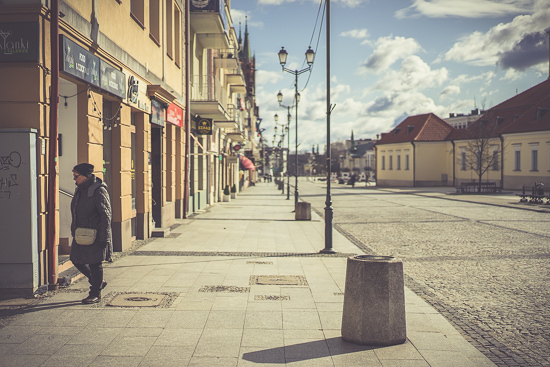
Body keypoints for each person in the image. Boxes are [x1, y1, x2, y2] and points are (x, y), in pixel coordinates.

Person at [70, 163, 112, 304]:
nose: (74, 179)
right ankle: (98, 282)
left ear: (86, 177)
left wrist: (104, 236)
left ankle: (95, 293)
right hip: (80, 233)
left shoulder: (98, 190)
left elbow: (106, 215)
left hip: (95, 233)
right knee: (75, 259)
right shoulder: (79, 189)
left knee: (95, 263)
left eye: (77, 176)